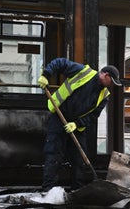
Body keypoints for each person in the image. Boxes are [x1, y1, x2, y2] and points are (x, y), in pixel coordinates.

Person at [37, 58, 122, 191]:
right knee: (54, 155)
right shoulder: (83, 72)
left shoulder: (104, 95)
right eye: (111, 81)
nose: (111, 85)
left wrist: (76, 124)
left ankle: (78, 190)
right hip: (59, 117)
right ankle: (48, 190)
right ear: (105, 75)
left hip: (76, 126)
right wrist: (46, 75)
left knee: (79, 159)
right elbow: (59, 63)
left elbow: (93, 116)